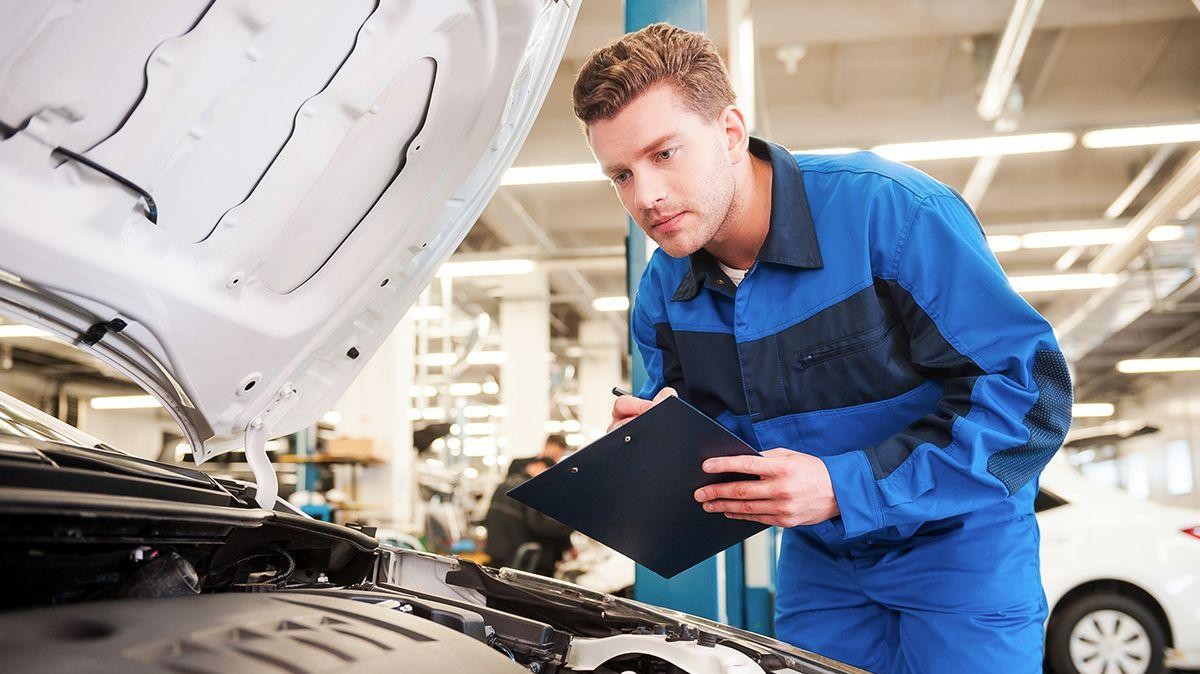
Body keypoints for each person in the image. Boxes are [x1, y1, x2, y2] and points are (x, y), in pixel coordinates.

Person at [573, 23, 1072, 674]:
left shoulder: (892, 216)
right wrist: (664, 444)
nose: (646, 197)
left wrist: (843, 486)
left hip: (961, 546)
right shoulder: (666, 292)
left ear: (729, 132)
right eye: (621, 175)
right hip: (822, 562)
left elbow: (1031, 403)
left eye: (664, 154)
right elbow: (729, 455)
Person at [484, 457, 573, 576]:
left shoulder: (503, 485)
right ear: (540, 466)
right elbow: (540, 524)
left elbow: (488, 518)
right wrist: (572, 524)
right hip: (525, 562)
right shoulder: (531, 488)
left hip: (498, 557)